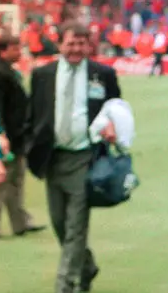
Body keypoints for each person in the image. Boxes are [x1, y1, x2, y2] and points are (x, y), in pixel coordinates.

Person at [27, 22, 121, 293]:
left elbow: (115, 107)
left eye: (82, 43)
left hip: (84, 158)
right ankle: (86, 265)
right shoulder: (42, 75)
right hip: (52, 158)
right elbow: (35, 114)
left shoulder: (102, 74)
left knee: (76, 226)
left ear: (89, 45)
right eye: (71, 43)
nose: (76, 49)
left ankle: (65, 286)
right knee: (59, 223)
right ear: (60, 44)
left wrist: (112, 125)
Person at [0, 32, 46, 238]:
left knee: (16, 178)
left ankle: (19, 221)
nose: (20, 52)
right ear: (3, 51)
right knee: (1, 178)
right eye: (15, 48)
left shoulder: (5, 71)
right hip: (5, 136)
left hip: (16, 134)